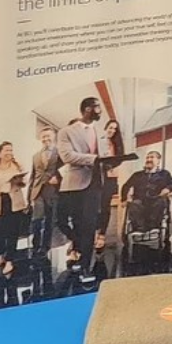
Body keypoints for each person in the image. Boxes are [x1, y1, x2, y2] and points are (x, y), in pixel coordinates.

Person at [57, 97, 104, 269]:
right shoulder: (66, 132)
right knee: (75, 222)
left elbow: (104, 156)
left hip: (97, 182)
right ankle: (78, 247)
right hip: (75, 183)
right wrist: (95, 159)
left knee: (90, 224)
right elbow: (67, 156)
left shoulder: (101, 132)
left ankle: (86, 266)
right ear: (87, 109)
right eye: (97, 107)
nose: (100, 111)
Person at [0, 141, 29, 263]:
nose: (10, 153)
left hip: (13, 201)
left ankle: (10, 259)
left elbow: (24, 183)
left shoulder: (18, 166)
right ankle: (0, 255)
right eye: (7, 150)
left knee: (13, 232)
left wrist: (19, 181)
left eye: (11, 150)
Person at [29, 126, 60, 296]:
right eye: (43, 137)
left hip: (54, 192)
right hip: (38, 191)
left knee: (49, 221)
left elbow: (65, 170)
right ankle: (35, 248)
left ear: (53, 138)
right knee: (36, 220)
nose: (46, 139)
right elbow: (33, 177)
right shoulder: (35, 156)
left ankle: (45, 248)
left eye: (48, 137)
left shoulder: (59, 153)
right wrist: (29, 197)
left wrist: (59, 178)